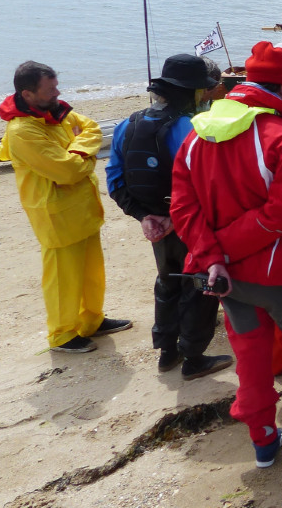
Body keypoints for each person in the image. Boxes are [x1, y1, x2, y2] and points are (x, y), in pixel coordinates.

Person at [170, 41, 282, 468]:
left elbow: (182, 206)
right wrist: (224, 249)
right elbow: (281, 214)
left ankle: (264, 440)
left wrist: (213, 257)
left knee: (249, 357)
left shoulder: (197, 133)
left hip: (228, 277)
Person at [106, 54, 233, 378]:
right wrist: (175, 220)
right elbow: (208, 186)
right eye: (200, 91)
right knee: (199, 284)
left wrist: (145, 217)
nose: (204, 96)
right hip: (189, 223)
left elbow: (115, 179)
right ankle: (194, 357)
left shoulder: (126, 125)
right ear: (189, 92)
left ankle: (167, 351)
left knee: (167, 281)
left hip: (154, 225)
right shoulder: (193, 129)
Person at [0, 61, 131, 353]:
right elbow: (67, 172)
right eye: (50, 88)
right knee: (63, 277)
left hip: (81, 206)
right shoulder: (23, 131)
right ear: (28, 94)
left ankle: (91, 320)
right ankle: (62, 334)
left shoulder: (54, 111)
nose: (58, 92)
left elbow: (92, 128)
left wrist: (78, 153)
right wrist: (86, 156)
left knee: (91, 271)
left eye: (56, 85)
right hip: (55, 212)